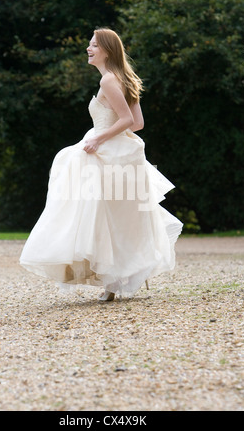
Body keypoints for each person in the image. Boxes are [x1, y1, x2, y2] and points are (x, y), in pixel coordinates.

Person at [20, 28, 183, 301]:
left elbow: (129, 121)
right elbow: (138, 123)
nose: (88, 48)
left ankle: (110, 277)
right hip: (122, 152)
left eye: (94, 45)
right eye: (89, 44)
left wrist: (99, 138)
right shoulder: (123, 78)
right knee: (117, 218)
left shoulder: (109, 80)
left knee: (94, 212)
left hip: (108, 151)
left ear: (107, 50)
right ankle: (118, 279)